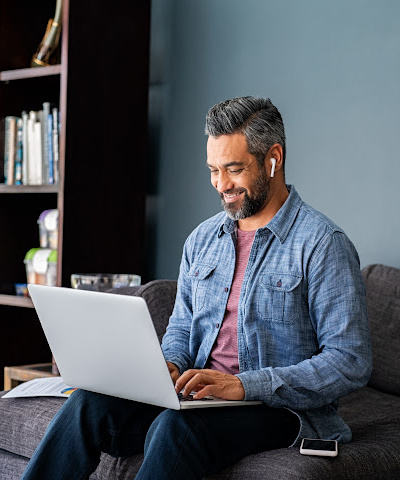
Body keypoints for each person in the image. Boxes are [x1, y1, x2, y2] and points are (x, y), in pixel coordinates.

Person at [22, 96, 372, 480]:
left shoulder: (323, 243)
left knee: (177, 429)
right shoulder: (203, 239)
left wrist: (242, 385)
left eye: (234, 169)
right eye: (213, 170)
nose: (222, 185)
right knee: (87, 405)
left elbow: (349, 361)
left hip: (279, 410)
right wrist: (169, 366)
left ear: (274, 158)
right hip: (200, 400)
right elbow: (183, 328)